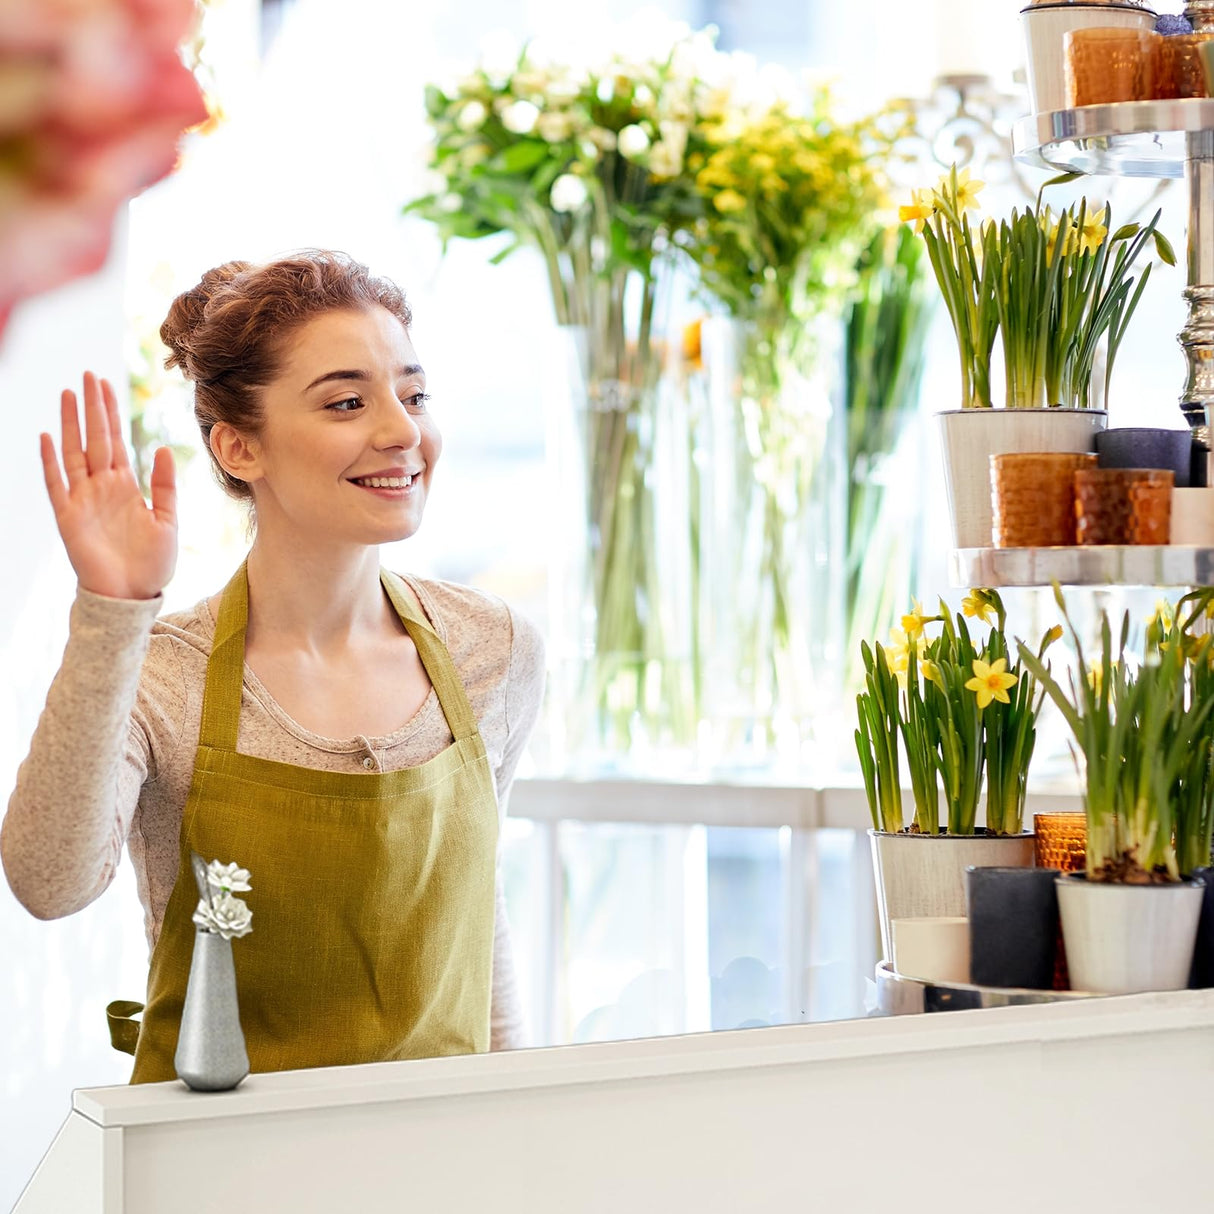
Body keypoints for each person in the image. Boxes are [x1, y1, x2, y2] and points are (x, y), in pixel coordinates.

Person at [0, 250, 545, 1083]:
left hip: (443, 1166)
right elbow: (48, 882)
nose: (402, 430)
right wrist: (113, 610)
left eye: (415, 393)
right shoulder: (163, 678)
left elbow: (479, 922)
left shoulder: (493, 650)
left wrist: (525, 1130)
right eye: (347, 402)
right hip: (217, 1177)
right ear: (239, 448)